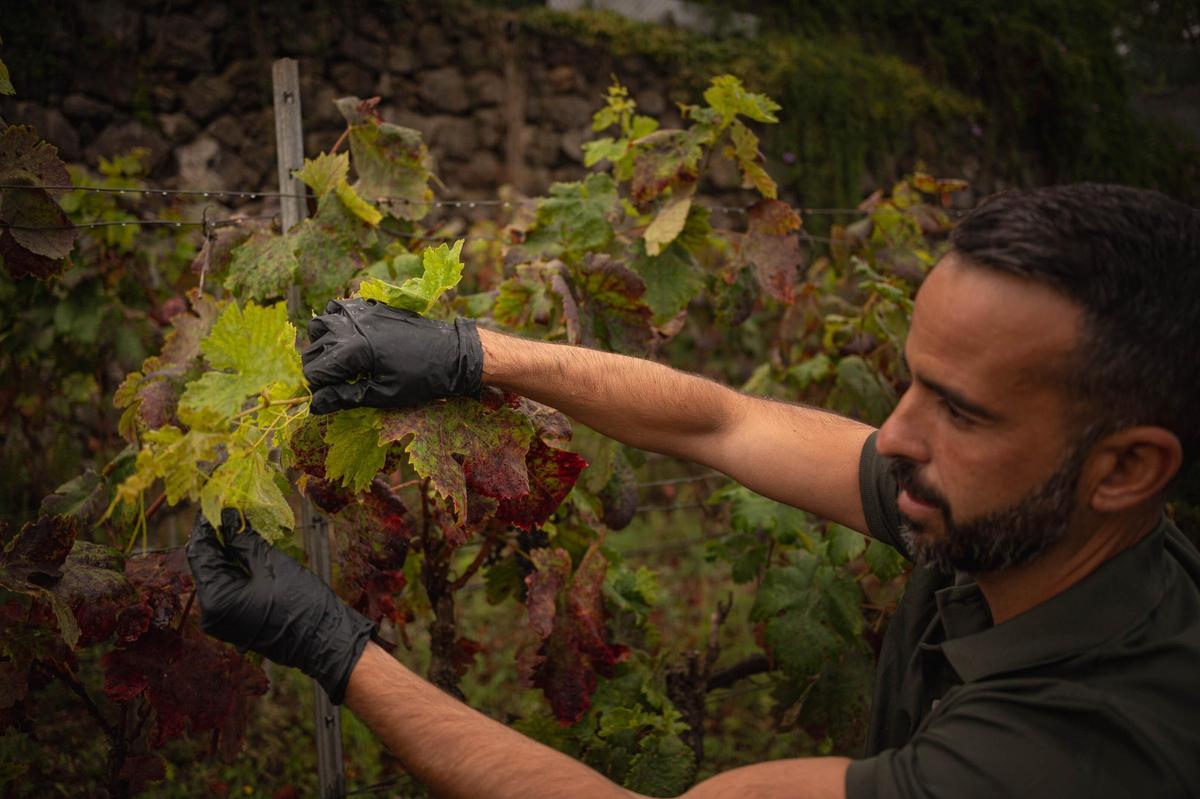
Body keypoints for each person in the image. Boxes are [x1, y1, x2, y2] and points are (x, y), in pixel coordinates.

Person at [187, 183, 1200, 798]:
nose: (893, 436)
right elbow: (725, 421)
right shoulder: (1027, 520)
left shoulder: (1067, 759)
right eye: (910, 382)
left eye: (962, 410)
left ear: (1126, 468)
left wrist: (332, 648)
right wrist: (472, 352)